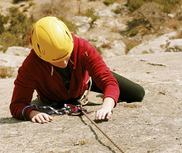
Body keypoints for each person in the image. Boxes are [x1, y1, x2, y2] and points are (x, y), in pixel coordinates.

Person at [10, 16, 145, 123]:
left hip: (84, 82)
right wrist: (32, 113)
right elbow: (17, 104)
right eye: (56, 60)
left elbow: (108, 81)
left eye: (66, 56)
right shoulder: (31, 65)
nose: (63, 63)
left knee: (137, 93)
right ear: (41, 55)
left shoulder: (82, 47)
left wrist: (107, 105)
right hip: (54, 99)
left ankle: (99, 90)